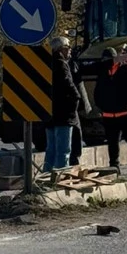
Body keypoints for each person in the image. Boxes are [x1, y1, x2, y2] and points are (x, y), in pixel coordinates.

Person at [94, 46, 127, 174]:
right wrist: (101, 106)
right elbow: (98, 91)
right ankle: (114, 167)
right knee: (112, 141)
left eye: (108, 59)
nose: (106, 62)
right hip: (109, 114)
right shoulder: (103, 72)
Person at [43, 36, 80, 174]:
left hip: (49, 114)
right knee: (63, 150)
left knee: (50, 149)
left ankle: (46, 176)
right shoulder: (61, 64)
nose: (70, 50)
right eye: (68, 47)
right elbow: (68, 85)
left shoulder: (45, 63)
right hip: (63, 114)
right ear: (61, 49)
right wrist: (76, 98)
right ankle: (60, 177)